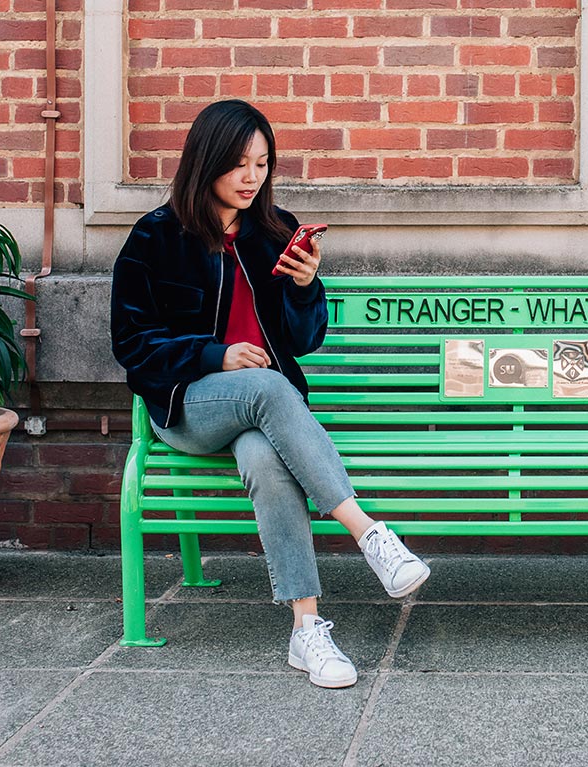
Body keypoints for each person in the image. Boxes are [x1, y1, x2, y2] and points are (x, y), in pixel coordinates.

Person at [109, 99, 431, 689]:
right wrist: (215, 356)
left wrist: (308, 289)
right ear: (204, 163)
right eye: (237, 164)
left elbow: (304, 340)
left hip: (266, 411)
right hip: (189, 406)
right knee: (263, 385)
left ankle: (306, 630)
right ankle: (369, 534)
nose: (251, 177)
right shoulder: (156, 237)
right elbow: (131, 343)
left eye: (261, 163)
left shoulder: (274, 230)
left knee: (263, 450)